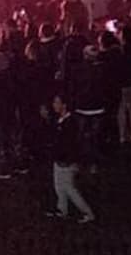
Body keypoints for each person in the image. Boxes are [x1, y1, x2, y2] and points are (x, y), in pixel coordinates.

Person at [47, 94, 96, 223]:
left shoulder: (69, 123)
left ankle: (87, 212)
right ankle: (62, 209)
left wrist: (68, 160)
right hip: (59, 159)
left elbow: (69, 144)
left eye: (57, 103)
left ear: (64, 105)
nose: (54, 105)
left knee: (69, 188)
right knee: (59, 186)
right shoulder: (60, 120)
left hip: (66, 161)